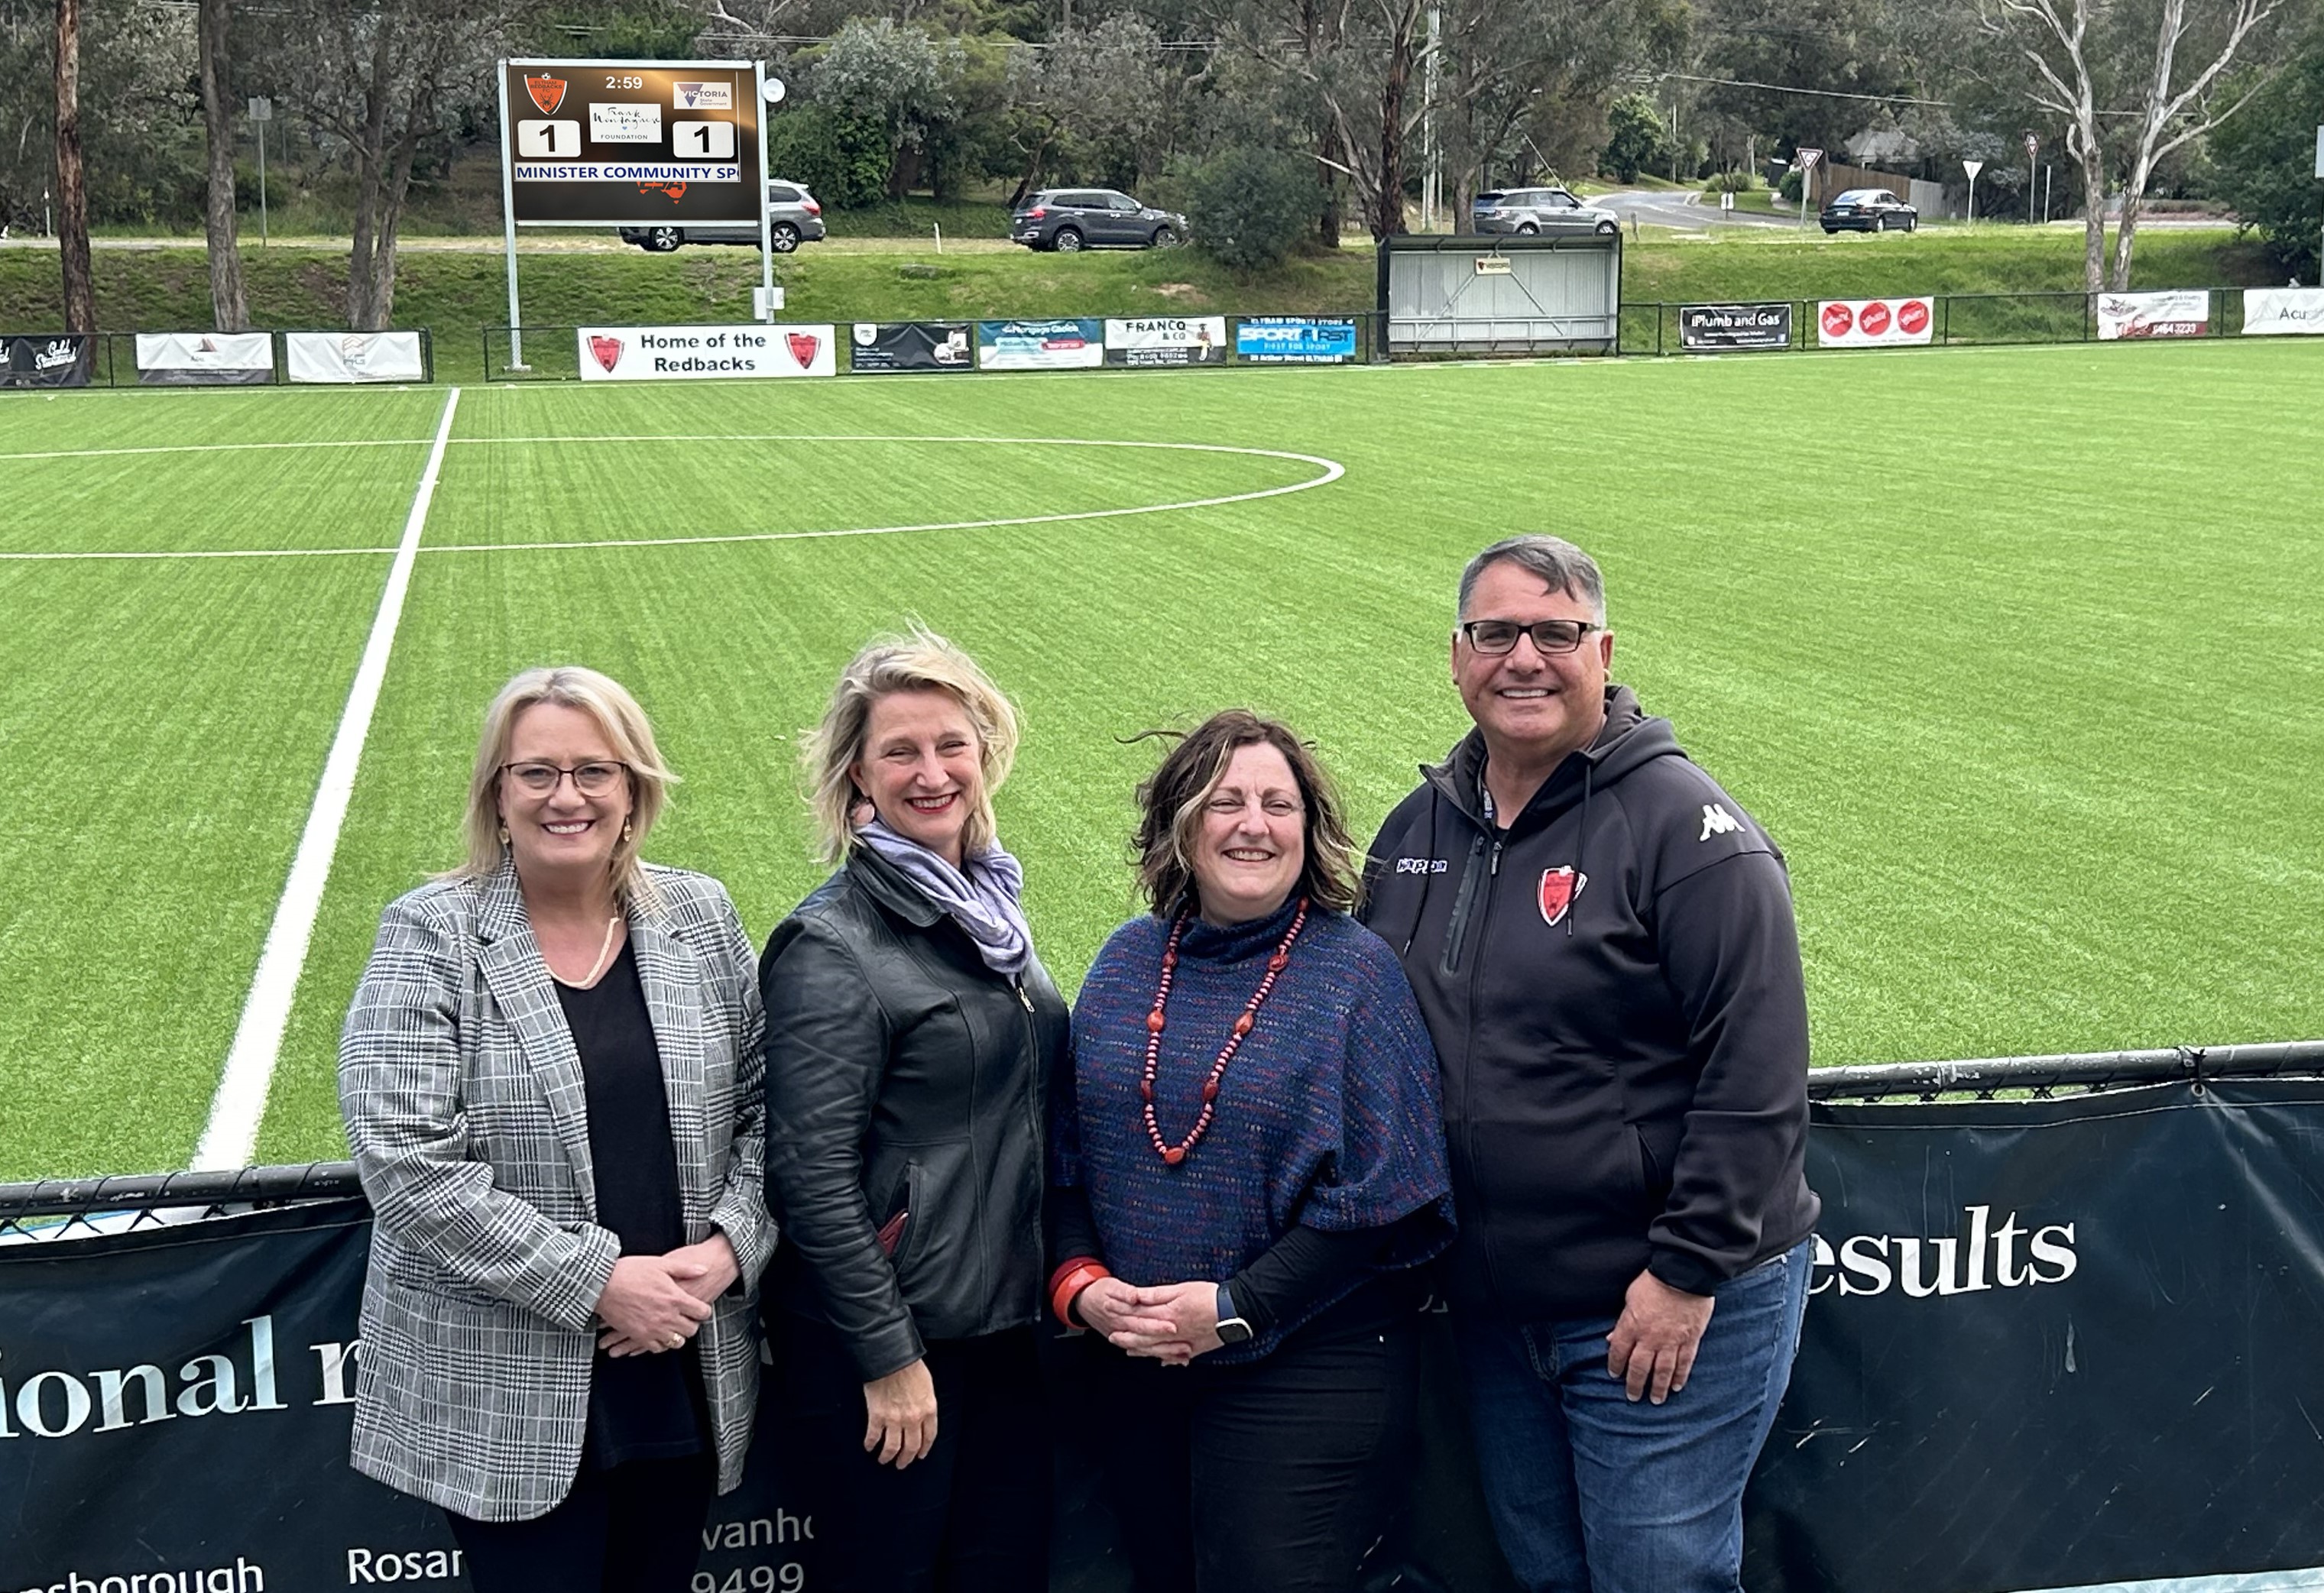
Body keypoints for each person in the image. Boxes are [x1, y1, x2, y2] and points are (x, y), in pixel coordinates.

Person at [1363, 535, 1820, 1593]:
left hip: (1657, 1303)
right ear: (1455, 654)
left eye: (1555, 632)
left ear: (1602, 651)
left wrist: (1685, 1272)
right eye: (1496, 633)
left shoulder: (1690, 833)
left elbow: (1756, 1077)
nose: (1524, 656)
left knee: (1656, 1576)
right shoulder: (1419, 826)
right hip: (1496, 1308)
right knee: (1550, 1575)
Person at [339, 666, 772, 1593]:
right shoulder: (430, 933)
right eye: (535, 773)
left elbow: (774, 1109)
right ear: (497, 794)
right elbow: (407, 1165)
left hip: (682, 1358)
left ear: (634, 790)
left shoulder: (699, 914)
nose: (565, 796)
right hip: (512, 1386)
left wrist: (733, 1246)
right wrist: (599, 1283)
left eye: (593, 771)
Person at [1054, 710, 1455, 1593]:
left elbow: (1383, 1202)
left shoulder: (1353, 973)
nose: (1252, 824)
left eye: (1278, 805)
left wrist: (1235, 1308)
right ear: (1180, 824)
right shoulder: (1124, 963)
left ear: (1307, 832)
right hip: (1138, 1369)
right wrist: (1083, 1289)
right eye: (1225, 801)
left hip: (1305, 1368)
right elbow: (1068, 1161)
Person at [759, 629, 1068, 1593]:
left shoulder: (989, 913)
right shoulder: (829, 945)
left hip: (1005, 1339)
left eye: (950, 745)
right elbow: (807, 1178)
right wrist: (888, 1358)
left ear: (983, 756)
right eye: (900, 751)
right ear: (859, 776)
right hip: (892, 1354)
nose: (930, 772)